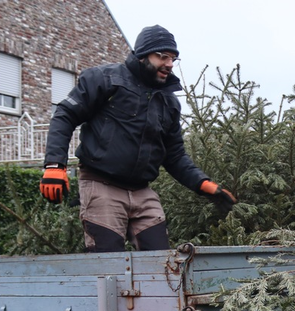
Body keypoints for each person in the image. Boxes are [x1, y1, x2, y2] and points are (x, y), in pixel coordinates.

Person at [40, 25, 236, 252]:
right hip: (102, 186)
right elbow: (65, 116)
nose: (169, 64)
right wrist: (55, 165)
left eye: (173, 58)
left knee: (161, 264)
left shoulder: (168, 102)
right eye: (162, 56)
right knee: (108, 265)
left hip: (143, 192)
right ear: (142, 56)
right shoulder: (105, 80)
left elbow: (174, 155)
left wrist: (202, 183)